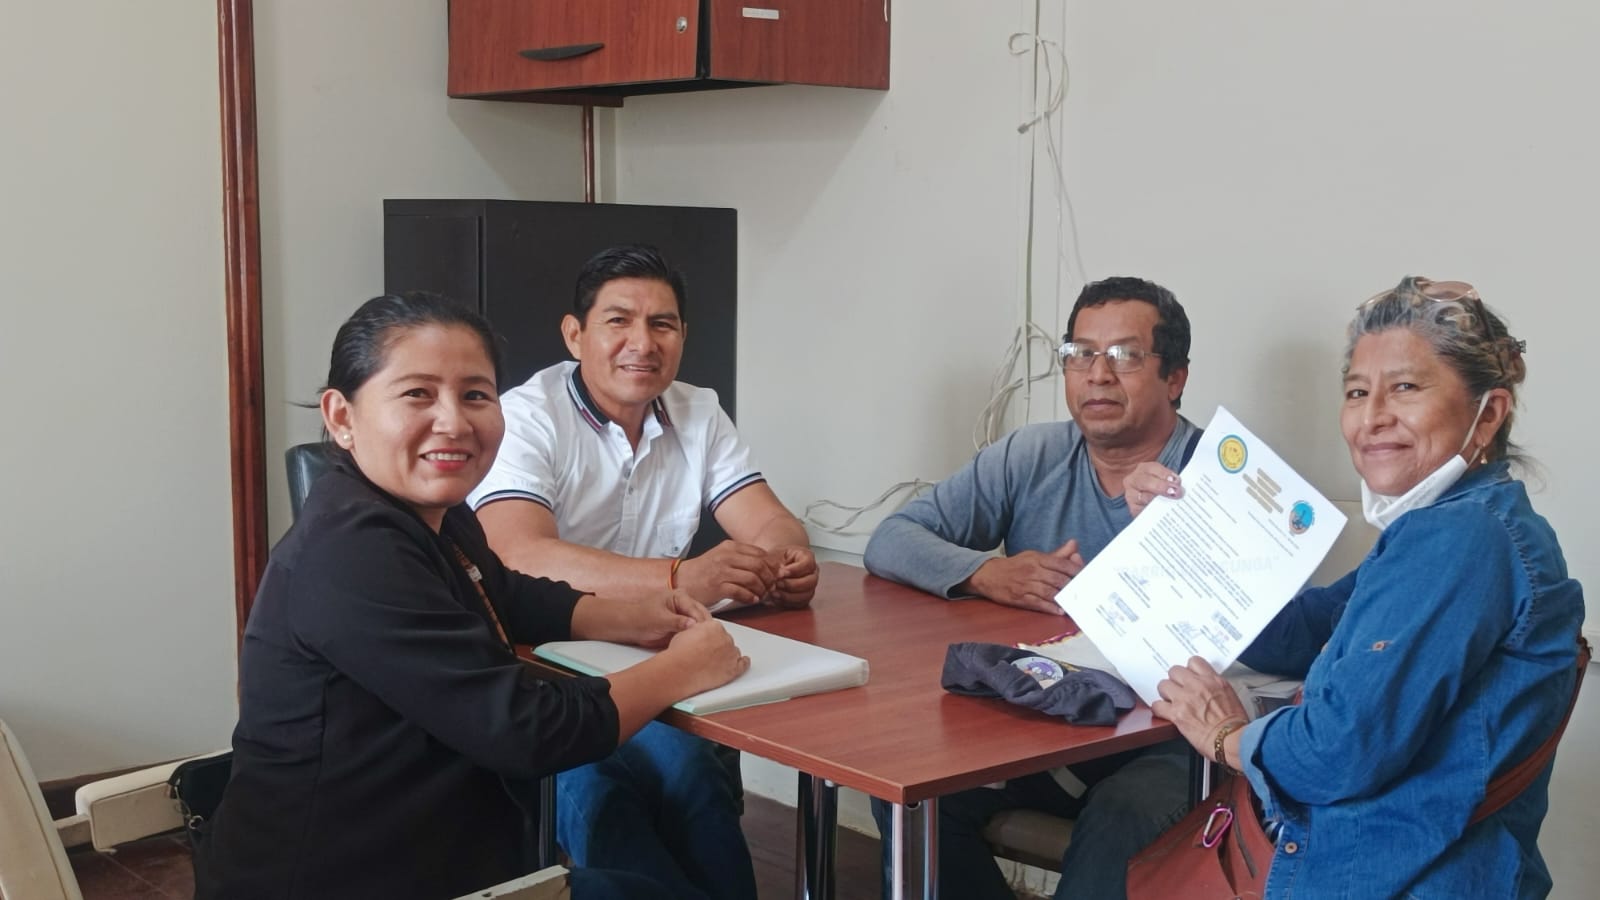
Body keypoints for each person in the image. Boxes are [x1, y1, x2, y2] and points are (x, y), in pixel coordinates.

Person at [194, 293, 753, 900]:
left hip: (444, 862)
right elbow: (524, 731)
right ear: (341, 416)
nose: (454, 422)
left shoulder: (430, 513)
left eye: (475, 395)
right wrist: (681, 669)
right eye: (418, 394)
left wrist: (629, 616)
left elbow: (502, 592)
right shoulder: (352, 549)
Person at [1152, 276, 1584, 899]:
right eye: (1357, 391)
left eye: (1405, 387)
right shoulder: (1443, 527)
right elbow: (1304, 631)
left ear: (1487, 413)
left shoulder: (1462, 539)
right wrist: (1181, 534)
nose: (1372, 417)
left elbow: (1337, 750)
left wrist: (1225, 736)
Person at [469, 244, 808, 888]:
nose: (642, 343)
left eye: (662, 324)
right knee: (601, 791)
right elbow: (519, 552)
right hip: (541, 670)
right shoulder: (526, 415)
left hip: (659, 661)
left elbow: (771, 522)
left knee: (694, 780)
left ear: (683, 336)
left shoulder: (697, 409)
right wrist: (679, 577)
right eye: (618, 321)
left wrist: (787, 559)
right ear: (575, 335)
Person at [863, 275, 1202, 899]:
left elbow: (1263, 644)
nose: (1098, 375)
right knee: (906, 790)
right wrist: (986, 573)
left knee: (1122, 817)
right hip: (1047, 725)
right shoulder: (1031, 455)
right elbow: (891, 539)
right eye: (1080, 354)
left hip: (1170, 739)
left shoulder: (1211, 479)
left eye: (1125, 356)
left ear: (1174, 378)